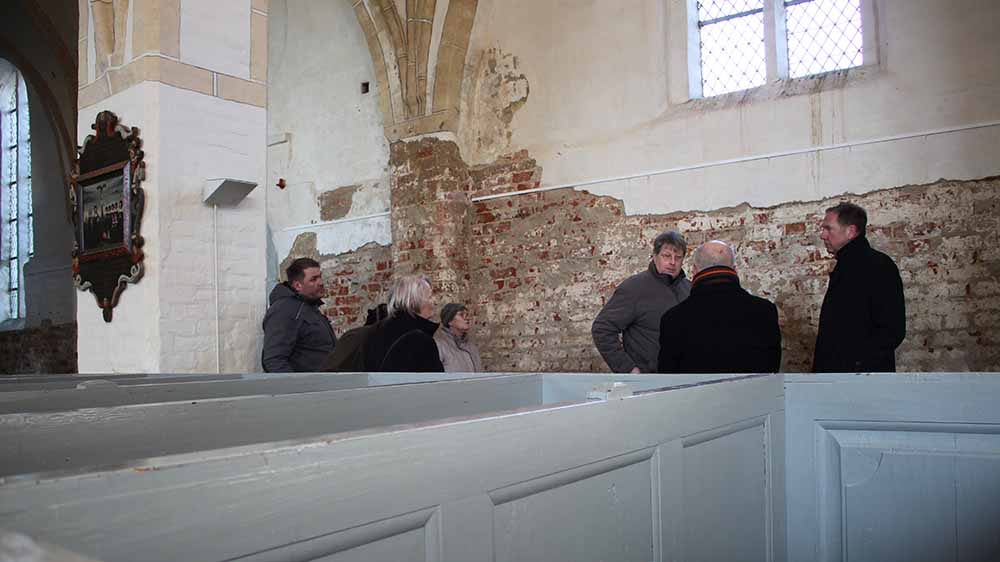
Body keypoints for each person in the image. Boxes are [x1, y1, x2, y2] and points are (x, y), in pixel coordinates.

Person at [657, 241, 781, 373]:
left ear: (694, 271)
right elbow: (772, 368)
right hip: (751, 393)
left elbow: (668, 375)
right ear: (735, 270)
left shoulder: (673, 319)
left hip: (697, 394)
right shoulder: (765, 311)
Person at [814, 202, 906, 372]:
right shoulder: (846, 266)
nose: (823, 235)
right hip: (844, 379)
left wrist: (855, 365)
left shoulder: (877, 266)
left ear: (851, 231)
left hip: (861, 382)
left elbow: (892, 329)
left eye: (828, 229)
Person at [592, 231, 691, 373]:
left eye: (678, 257)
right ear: (655, 257)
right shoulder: (634, 288)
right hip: (650, 379)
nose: (672, 262)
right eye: (666, 256)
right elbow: (602, 328)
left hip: (685, 378)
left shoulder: (689, 289)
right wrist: (628, 369)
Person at [261, 257, 337, 372]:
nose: (321, 282)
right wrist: (296, 388)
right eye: (313, 279)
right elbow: (274, 360)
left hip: (323, 385)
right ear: (297, 285)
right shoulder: (284, 310)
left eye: (320, 277)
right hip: (307, 387)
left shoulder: (309, 307)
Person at [364, 275, 444, 372]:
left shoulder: (376, 331)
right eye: (430, 297)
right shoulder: (419, 339)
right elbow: (433, 384)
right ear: (414, 301)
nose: (434, 302)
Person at [434, 303, 483, 373]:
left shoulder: (472, 347)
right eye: (461, 314)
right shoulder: (439, 345)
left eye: (467, 315)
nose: (467, 318)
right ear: (450, 321)